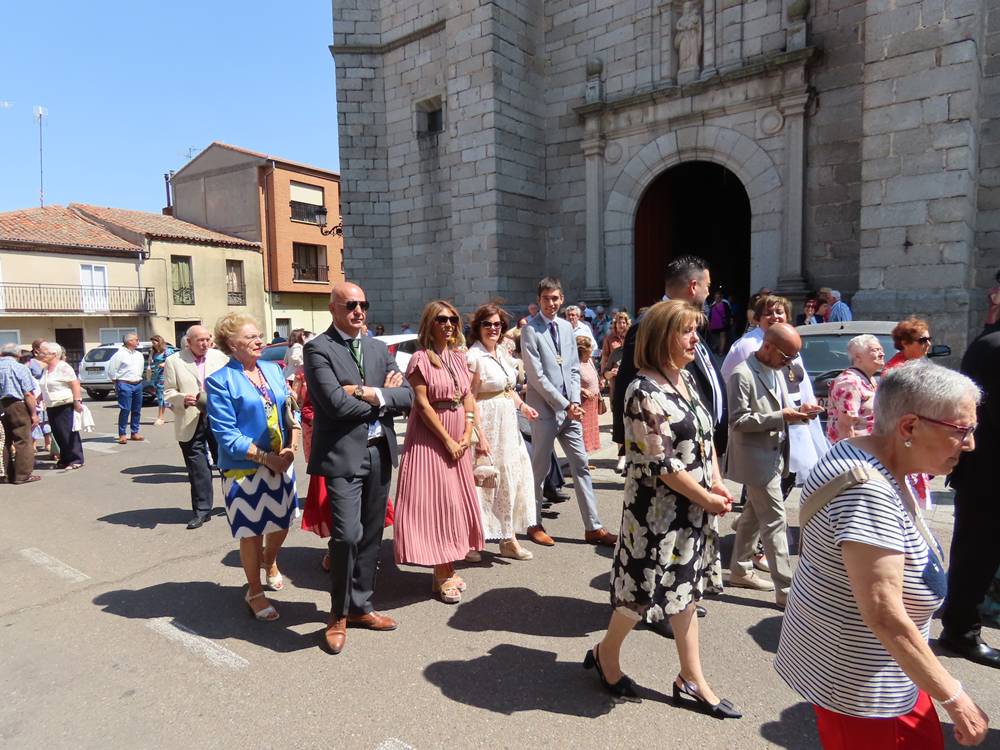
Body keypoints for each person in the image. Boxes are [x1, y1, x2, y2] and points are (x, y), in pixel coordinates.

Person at [775, 361, 989, 749]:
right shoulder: (867, 493)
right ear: (908, 427)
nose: (970, 443)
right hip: (861, 688)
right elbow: (884, 614)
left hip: (889, 671)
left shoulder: (864, 453)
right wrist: (956, 699)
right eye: (962, 430)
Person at [586, 301, 739, 717]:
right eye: (686, 331)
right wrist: (706, 497)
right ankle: (606, 656)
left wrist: (717, 480)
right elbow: (662, 462)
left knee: (686, 591)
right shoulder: (642, 390)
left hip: (693, 508)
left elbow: (705, 438)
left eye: (696, 330)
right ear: (661, 337)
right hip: (655, 514)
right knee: (639, 596)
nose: (696, 338)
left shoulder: (686, 378)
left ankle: (691, 678)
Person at [304, 282, 413, 654]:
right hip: (342, 456)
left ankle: (361, 606)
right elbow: (334, 405)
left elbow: (409, 397)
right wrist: (384, 396)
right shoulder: (317, 348)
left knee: (370, 535)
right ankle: (337, 614)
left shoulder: (379, 348)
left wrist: (366, 392)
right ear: (333, 308)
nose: (359, 311)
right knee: (346, 536)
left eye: (363, 304)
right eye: (350, 304)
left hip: (379, 451)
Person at [206, 313, 300, 623]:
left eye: (259, 334)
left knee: (283, 522)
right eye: (251, 337)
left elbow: (290, 407)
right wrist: (265, 458)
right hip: (245, 468)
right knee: (251, 532)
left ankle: (269, 561)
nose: (260, 340)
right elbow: (227, 435)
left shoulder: (273, 369)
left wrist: (293, 443)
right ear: (233, 345)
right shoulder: (219, 381)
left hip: (281, 460)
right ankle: (254, 592)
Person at [393, 300, 484, 602]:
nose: (449, 325)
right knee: (438, 504)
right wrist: (447, 439)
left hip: (459, 435)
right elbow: (422, 404)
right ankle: (442, 573)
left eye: (453, 320)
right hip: (431, 438)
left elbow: (468, 397)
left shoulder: (459, 358)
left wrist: (469, 431)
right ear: (429, 324)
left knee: (455, 502)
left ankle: (446, 567)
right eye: (442, 320)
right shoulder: (420, 359)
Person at [724, 324, 820, 605]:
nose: (789, 364)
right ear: (767, 346)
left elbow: (779, 408)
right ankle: (788, 590)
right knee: (775, 522)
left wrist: (801, 413)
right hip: (756, 460)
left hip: (774, 455)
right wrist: (782, 416)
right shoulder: (742, 374)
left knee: (754, 516)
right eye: (786, 356)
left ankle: (740, 569)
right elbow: (738, 421)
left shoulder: (775, 369)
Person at [521, 278, 616, 547]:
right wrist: (565, 403)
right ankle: (534, 522)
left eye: (555, 299)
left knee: (581, 465)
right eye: (546, 299)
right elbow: (536, 377)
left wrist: (574, 401)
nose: (551, 303)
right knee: (539, 469)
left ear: (562, 299)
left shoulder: (566, 327)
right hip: (545, 411)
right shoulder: (531, 331)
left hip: (570, 412)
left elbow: (574, 367)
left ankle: (593, 527)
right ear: (539, 300)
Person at [613, 256, 727, 461]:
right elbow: (627, 380)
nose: (709, 292)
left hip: (700, 441)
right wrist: (628, 438)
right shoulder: (649, 324)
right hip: (675, 449)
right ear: (693, 286)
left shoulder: (690, 322)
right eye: (707, 286)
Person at [939, 328, 1000, 669]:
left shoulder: (988, 341)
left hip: (982, 471)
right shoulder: (995, 346)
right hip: (989, 474)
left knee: (974, 554)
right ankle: (961, 631)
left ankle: (961, 620)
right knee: (977, 555)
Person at [466, 303, 538, 561]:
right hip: (487, 423)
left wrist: (523, 406)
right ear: (478, 328)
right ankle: (473, 540)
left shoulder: (502, 353)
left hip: (508, 424)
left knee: (511, 479)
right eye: (487, 324)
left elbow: (507, 389)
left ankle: (509, 539)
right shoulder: (473, 357)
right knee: (484, 481)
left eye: (497, 324)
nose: (493, 329)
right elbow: (469, 398)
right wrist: (479, 435)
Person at [163, 325, 229, 529]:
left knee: (228, 463)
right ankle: (202, 511)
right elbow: (168, 392)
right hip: (190, 418)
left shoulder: (220, 357)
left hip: (219, 417)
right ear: (188, 341)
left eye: (207, 339)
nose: (204, 343)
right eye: (199, 340)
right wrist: (183, 398)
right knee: (198, 468)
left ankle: (235, 502)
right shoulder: (174, 361)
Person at [826, 334, 884, 443]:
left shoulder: (869, 379)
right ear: (858, 357)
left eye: (881, 350)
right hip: (856, 453)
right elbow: (846, 425)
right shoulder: (849, 383)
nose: (882, 354)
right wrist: (852, 456)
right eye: (875, 350)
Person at [37, 342, 84, 470]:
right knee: (58, 434)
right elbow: (46, 385)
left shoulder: (63, 367)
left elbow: (74, 384)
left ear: (53, 354)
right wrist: (40, 397)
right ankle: (64, 459)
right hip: (51, 405)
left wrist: (77, 401)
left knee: (67, 432)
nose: (40, 355)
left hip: (64, 404)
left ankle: (76, 459)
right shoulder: (46, 368)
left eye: (43, 352)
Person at [0, 343, 40, 483]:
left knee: (3, 440)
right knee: (23, 440)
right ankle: (22, 475)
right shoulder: (20, 368)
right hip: (17, 405)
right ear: (18, 355)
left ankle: (4, 474)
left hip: (1, 405)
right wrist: (34, 414)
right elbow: (28, 394)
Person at [602, 310, 631, 472]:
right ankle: (621, 457)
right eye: (619, 323)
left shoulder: (636, 352)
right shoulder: (614, 349)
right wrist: (608, 374)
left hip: (632, 392)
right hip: (616, 389)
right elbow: (606, 366)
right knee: (619, 424)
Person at [107, 333, 145, 445]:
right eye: (136, 340)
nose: (138, 342)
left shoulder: (138, 354)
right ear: (129, 341)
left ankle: (135, 432)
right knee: (125, 409)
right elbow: (112, 371)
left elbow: (140, 369)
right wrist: (118, 382)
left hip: (137, 383)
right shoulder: (119, 354)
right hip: (124, 383)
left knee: (137, 409)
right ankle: (122, 434)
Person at [577, 336, 602, 455]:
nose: (591, 350)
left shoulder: (590, 360)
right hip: (583, 402)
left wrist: (599, 381)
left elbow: (594, 375)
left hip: (593, 401)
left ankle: (585, 459)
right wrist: (582, 390)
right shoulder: (575, 364)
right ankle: (581, 460)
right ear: (582, 350)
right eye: (589, 348)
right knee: (583, 431)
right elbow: (569, 383)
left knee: (591, 431)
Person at [148, 335, 176, 426]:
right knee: (163, 397)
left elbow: (173, 361)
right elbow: (150, 362)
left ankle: (160, 417)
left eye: (154, 342)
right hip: (156, 375)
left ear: (159, 341)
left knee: (161, 396)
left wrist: (164, 363)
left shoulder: (167, 351)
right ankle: (180, 412)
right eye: (152, 342)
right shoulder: (154, 351)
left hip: (164, 376)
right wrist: (151, 355)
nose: (153, 344)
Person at [707, 290, 732, 354]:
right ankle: (720, 350)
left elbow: (710, 316)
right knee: (721, 337)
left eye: (718, 297)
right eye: (716, 297)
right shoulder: (722, 304)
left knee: (719, 337)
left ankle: (719, 350)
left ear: (721, 298)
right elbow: (729, 314)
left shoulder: (714, 305)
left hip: (719, 324)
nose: (717, 299)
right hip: (720, 324)